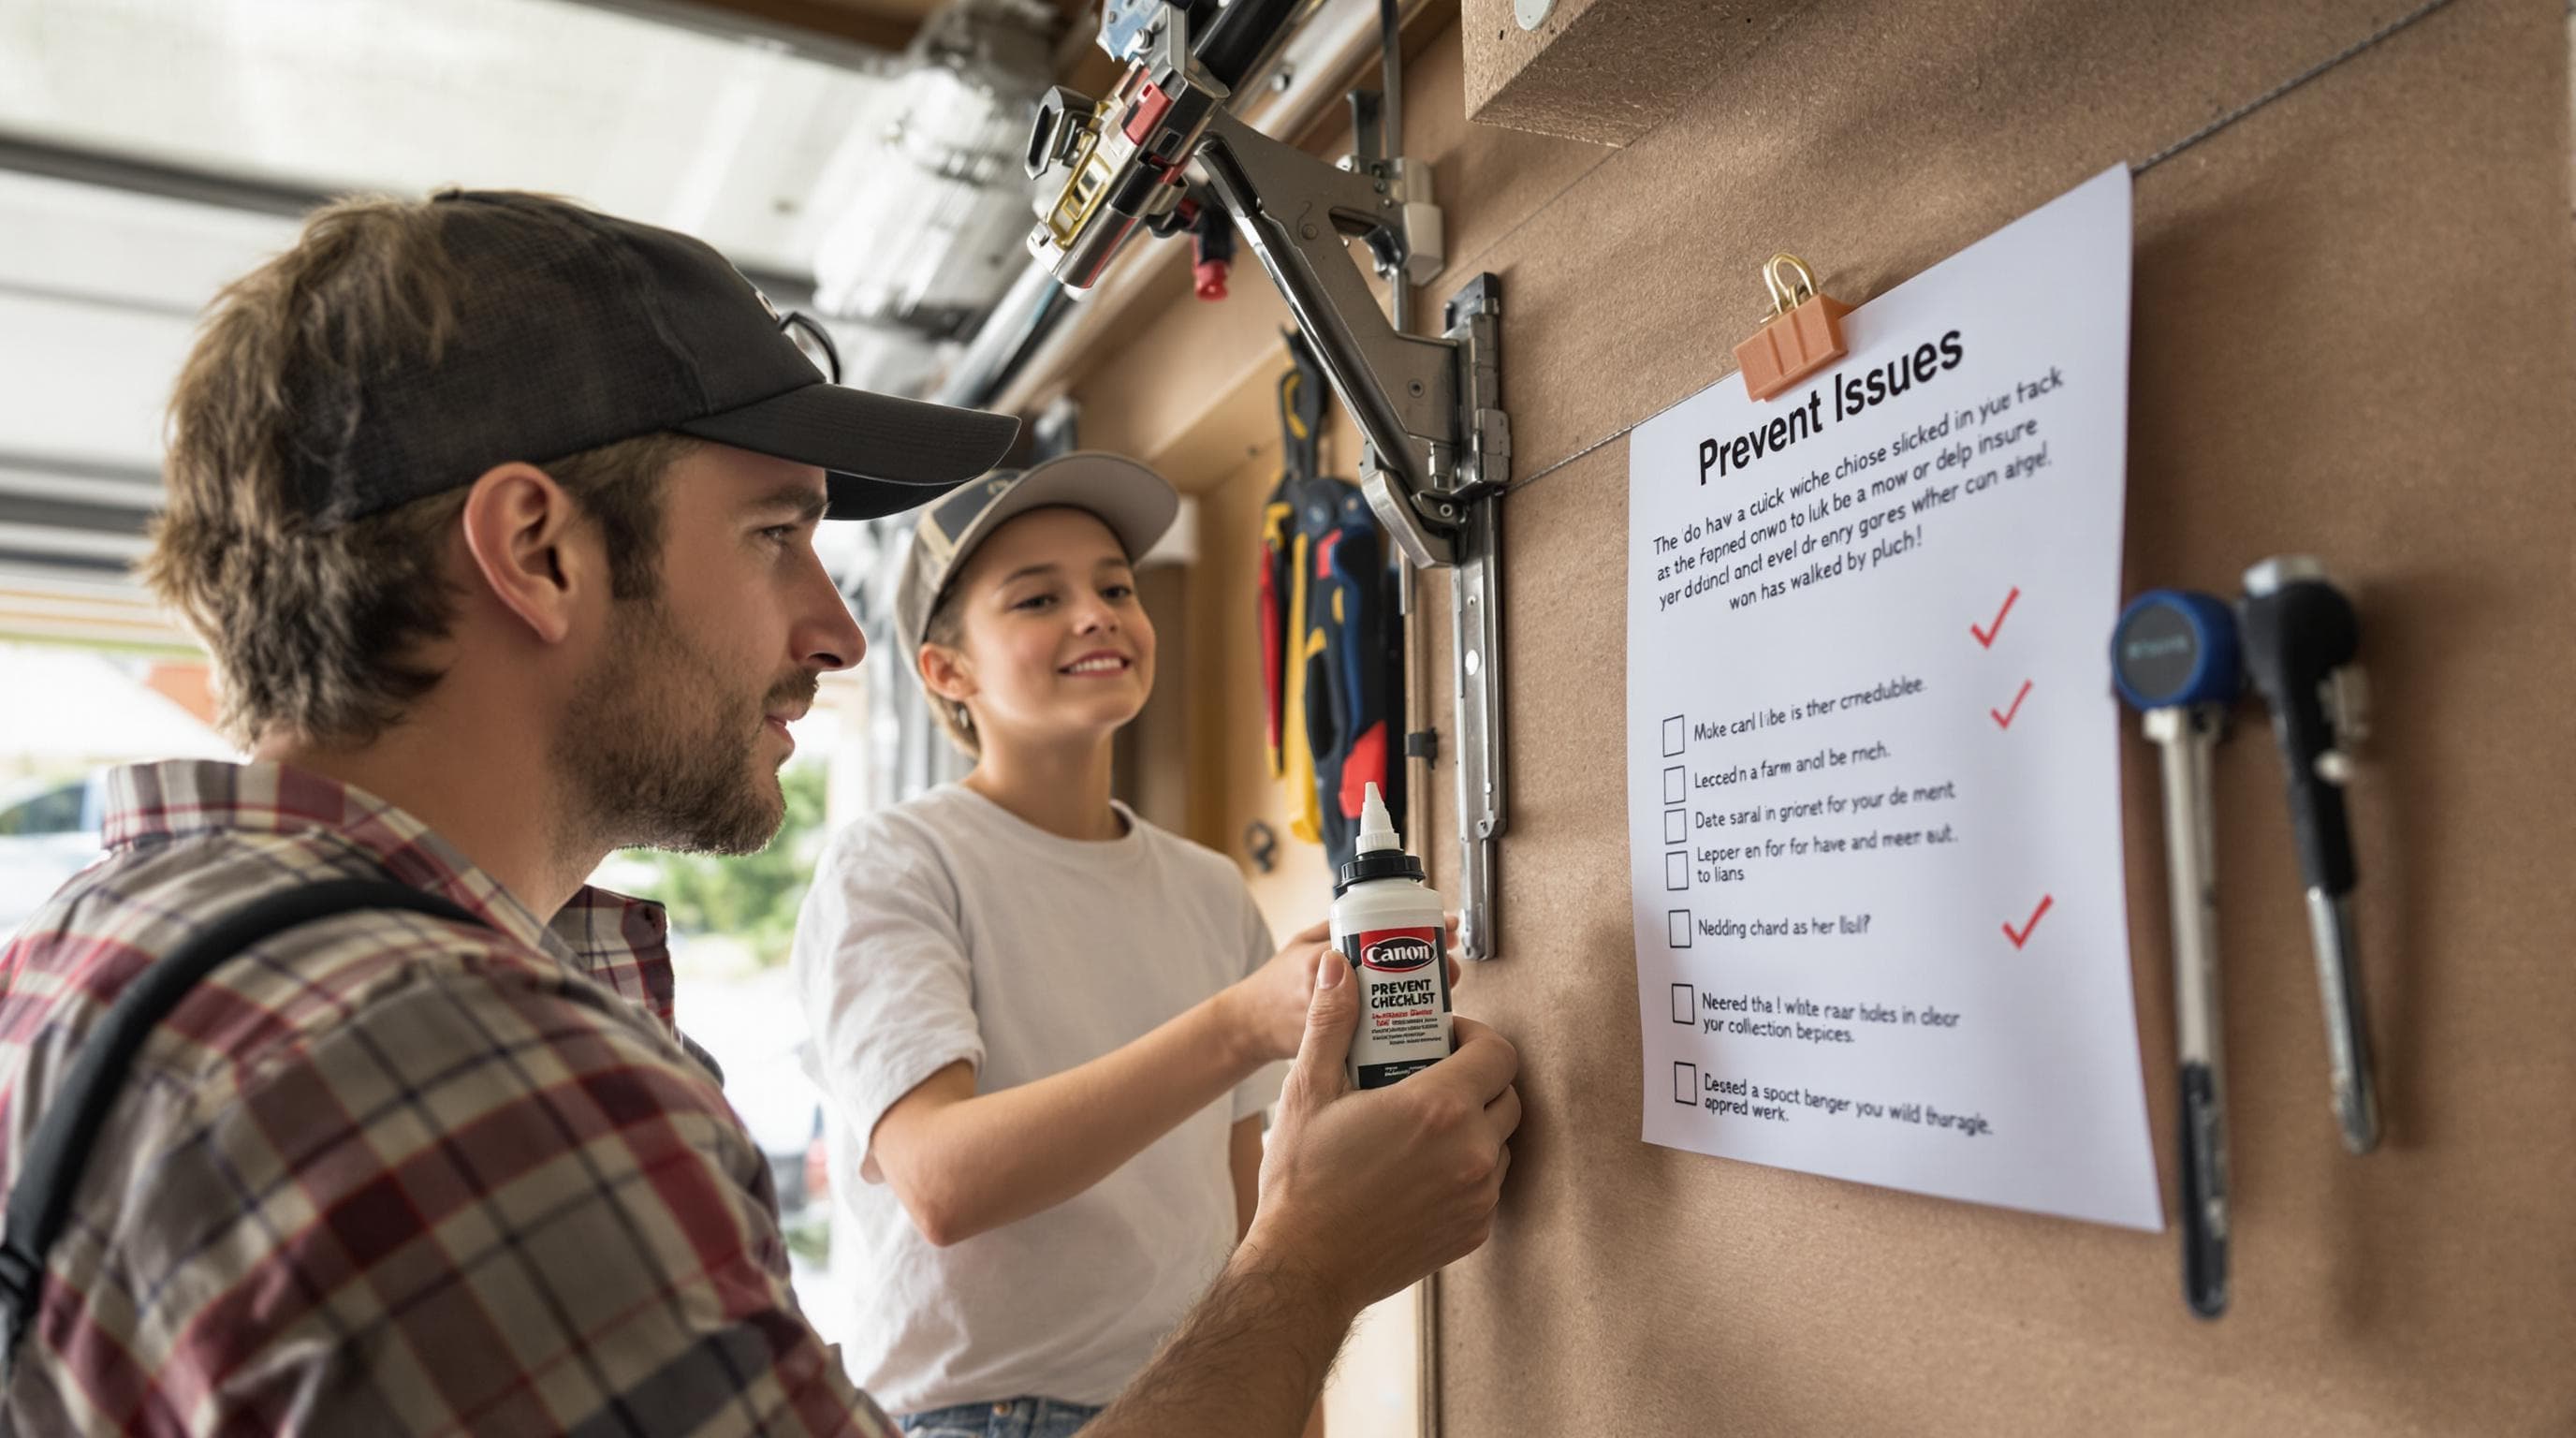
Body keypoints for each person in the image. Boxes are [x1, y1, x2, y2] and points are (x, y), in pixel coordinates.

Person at [0, 191, 1520, 1437]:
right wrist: (1307, 1274)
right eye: (777, 534)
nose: (833, 631)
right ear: (538, 551)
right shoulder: (434, 1067)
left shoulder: (94, 954)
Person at [793, 455, 1456, 1436]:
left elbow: (1250, 1222)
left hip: (1212, 1395)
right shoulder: (893, 865)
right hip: (983, 1417)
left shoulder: (1205, 888)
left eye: (1114, 586)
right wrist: (1236, 1026)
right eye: (1036, 599)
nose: (1097, 613)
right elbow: (941, 1182)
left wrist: (1292, 1406)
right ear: (947, 671)